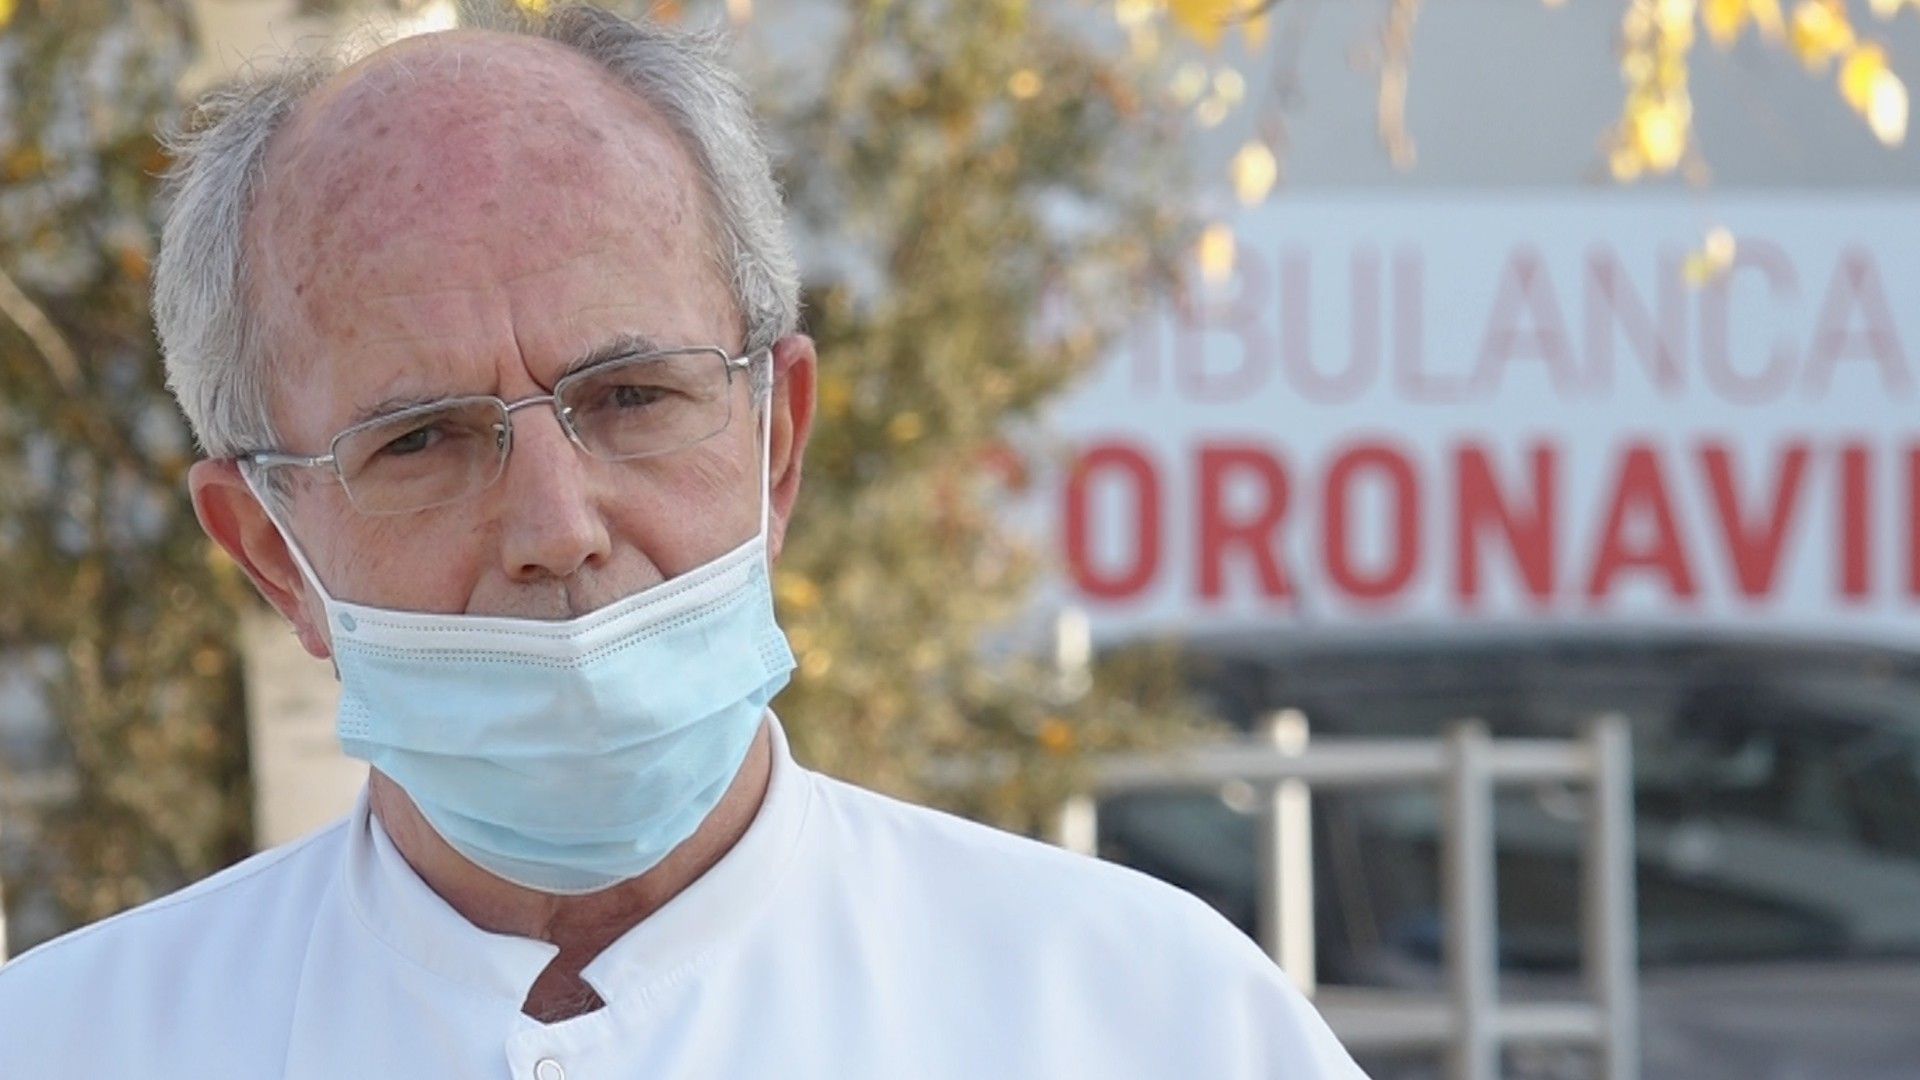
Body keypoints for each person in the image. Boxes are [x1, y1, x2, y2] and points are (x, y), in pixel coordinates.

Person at [0, 6, 1364, 1077]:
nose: (556, 527)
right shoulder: (72, 1047)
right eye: (421, 441)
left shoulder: (1143, 1022)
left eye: (632, 398)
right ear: (267, 552)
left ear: (778, 439)